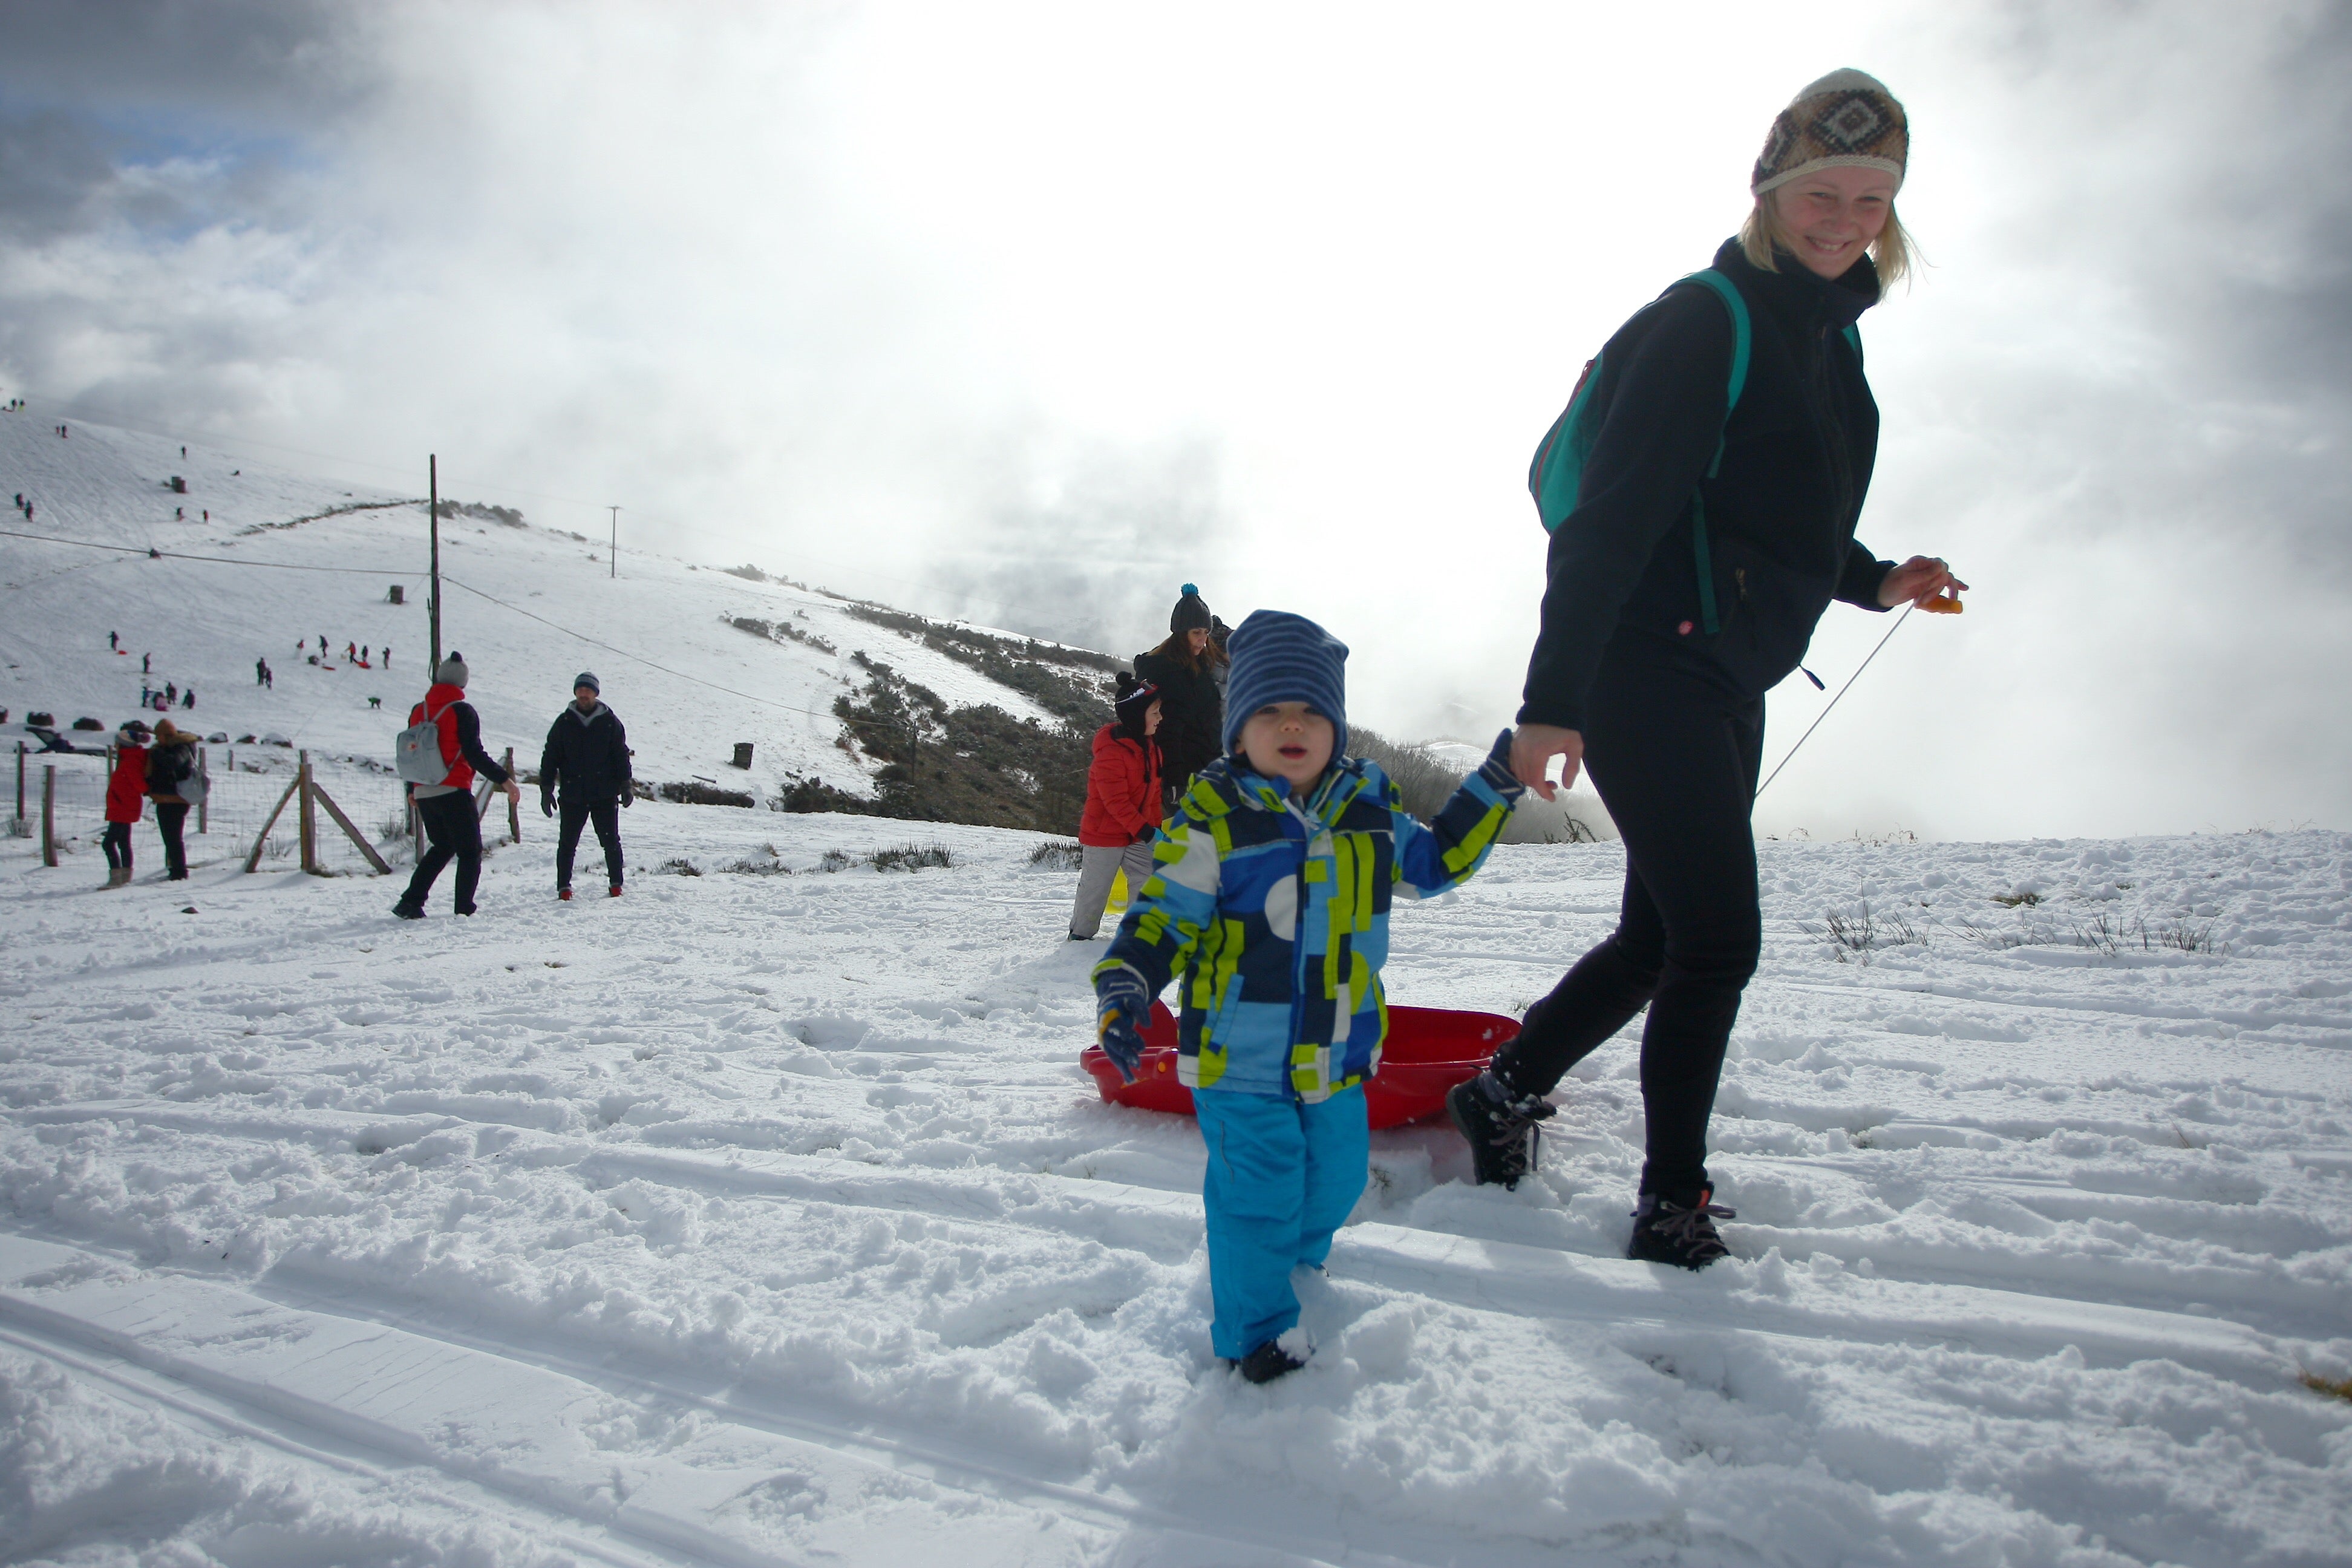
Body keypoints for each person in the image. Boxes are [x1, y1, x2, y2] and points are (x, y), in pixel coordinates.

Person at [1449, 70, 1965, 1271]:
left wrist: (1877, 578)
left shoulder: (1826, 341)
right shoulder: (1706, 323)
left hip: (1727, 676)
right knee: (1717, 942)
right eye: (1820, 192)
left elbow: (1773, 519)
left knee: (1659, 935)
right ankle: (1670, 1198)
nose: (1845, 219)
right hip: (1644, 671)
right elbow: (1611, 527)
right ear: (1771, 190)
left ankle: (1504, 1088)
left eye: (1872, 199)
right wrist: (1550, 704)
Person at [1094, 611, 1524, 1382]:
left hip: (1338, 1046)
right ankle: (1256, 1328)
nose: (1291, 725)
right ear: (1239, 733)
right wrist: (1128, 984)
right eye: (1268, 712)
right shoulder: (1214, 821)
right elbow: (1162, 915)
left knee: (1335, 1178)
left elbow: (1438, 862)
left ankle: (1291, 1265)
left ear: (1335, 728)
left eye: (1310, 713)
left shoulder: (1368, 812)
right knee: (1257, 1190)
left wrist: (1497, 781)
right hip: (1239, 1058)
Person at [394, 652, 518, 918]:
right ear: (463, 683)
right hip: (453, 789)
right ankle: (464, 908)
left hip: (425, 790)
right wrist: (504, 780)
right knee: (470, 851)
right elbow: (474, 753)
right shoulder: (461, 711)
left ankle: (411, 901)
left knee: (442, 846)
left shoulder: (419, 710)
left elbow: (411, 753)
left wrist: (412, 790)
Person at [1068, 673, 1162, 940]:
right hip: (1104, 834)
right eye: (1155, 712)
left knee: (1147, 879)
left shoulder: (1151, 748)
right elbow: (1115, 802)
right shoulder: (1111, 752)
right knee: (1095, 889)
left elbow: (1153, 793)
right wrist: (1147, 832)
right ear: (1136, 716)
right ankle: (1081, 936)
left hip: (1137, 832)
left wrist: (1154, 828)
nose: (1160, 718)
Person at [537, 671, 633, 901]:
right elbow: (550, 757)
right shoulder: (564, 723)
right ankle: (564, 887)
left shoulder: (610, 722)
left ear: (596, 694)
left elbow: (621, 755)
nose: (583, 694)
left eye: (588, 690)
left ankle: (616, 883)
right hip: (572, 794)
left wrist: (626, 784)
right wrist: (546, 789)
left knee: (610, 840)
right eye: (580, 690)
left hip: (604, 793)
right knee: (567, 843)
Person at [1131, 584, 1226, 806]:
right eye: (1196, 633)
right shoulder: (1161, 669)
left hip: (1208, 768)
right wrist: (1173, 779)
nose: (1202, 640)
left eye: (1206, 633)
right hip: (1180, 773)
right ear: (1180, 633)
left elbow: (1208, 719)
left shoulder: (1202, 664)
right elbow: (1165, 728)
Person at [143, 719, 200, 881]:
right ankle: (175, 868)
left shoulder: (181, 747)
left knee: (173, 837)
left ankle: (179, 871)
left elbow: (173, 763)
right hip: (167, 798)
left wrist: (156, 753)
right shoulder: (172, 747)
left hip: (176, 799)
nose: (156, 740)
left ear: (166, 735)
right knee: (170, 837)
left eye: (158, 736)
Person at [100, 724, 148, 889]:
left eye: (117, 742)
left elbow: (140, 785)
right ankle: (125, 878)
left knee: (108, 843)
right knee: (123, 842)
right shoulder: (129, 758)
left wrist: (123, 797)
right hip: (122, 806)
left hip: (123, 807)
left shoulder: (130, 761)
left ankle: (116, 878)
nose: (115, 745)